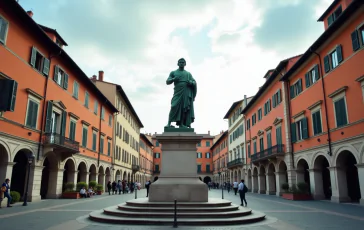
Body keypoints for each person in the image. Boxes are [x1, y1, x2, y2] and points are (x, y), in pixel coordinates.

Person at [165, 58, 197, 128]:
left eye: (183, 62)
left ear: (185, 64)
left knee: (183, 108)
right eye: (180, 62)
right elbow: (167, 81)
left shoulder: (188, 74)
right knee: (174, 106)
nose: (181, 63)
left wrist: (191, 82)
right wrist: (173, 79)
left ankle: (181, 124)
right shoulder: (173, 72)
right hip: (177, 92)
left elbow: (194, 82)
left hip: (186, 92)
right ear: (178, 63)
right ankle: (168, 123)